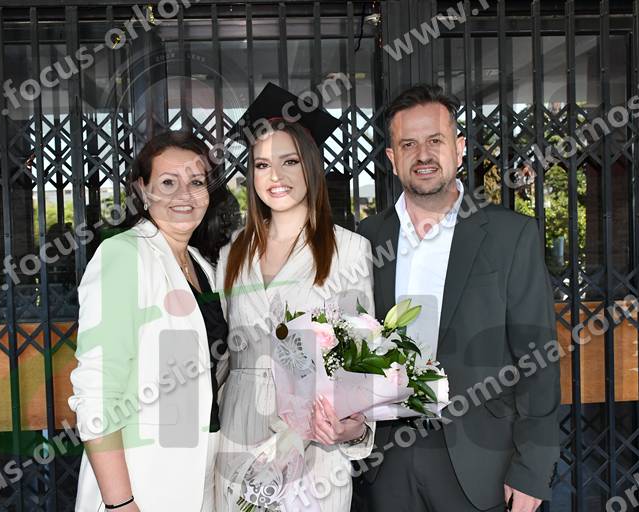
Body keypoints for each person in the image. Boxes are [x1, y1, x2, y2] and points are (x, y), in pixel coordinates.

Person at [353, 84, 560, 512]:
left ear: (459, 148)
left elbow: (538, 359)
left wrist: (533, 468)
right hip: (387, 463)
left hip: (481, 463)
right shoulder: (366, 240)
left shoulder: (510, 236)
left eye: (435, 140)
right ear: (392, 158)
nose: (423, 155)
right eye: (408, 144)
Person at [214, 83, 375, 511]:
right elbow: (224, 354)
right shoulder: (231, 255)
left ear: (311, 167)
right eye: (262, 164)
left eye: (289, 161)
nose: (276, 176)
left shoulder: (348, 251)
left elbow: (359, 361)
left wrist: (354, 428)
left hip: (312, 440)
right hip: (240, 428)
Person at [69, 131, 230, 511]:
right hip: (142, 479)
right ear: (143, 191)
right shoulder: (124, 256)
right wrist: (120, 503)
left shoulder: (203, 266)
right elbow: (97, 391)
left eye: (196, 182)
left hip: (201, 476)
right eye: (168, 183)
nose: (184, 195)